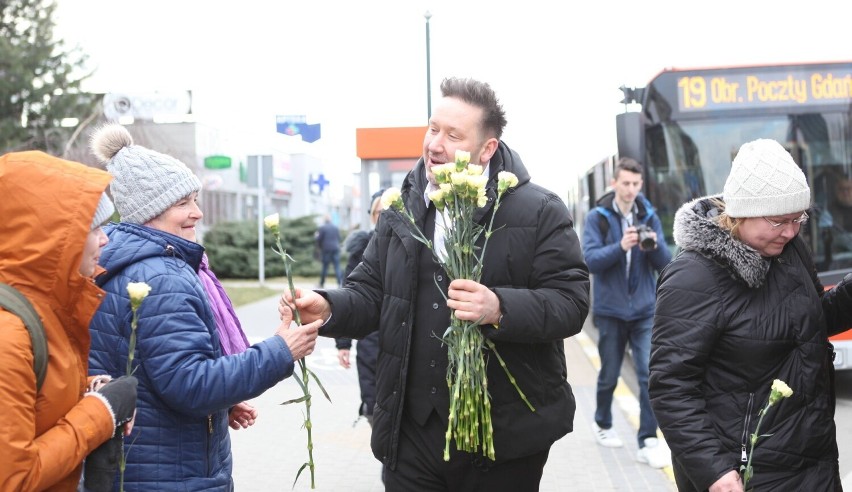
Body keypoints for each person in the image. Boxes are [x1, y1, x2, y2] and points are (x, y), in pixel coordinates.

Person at [281, 77, 590, 491]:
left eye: (453, 134)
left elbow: (570, 303)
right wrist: (329, 306)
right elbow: (372, 294)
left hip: (503, 440)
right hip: (411, 435)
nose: (435, 144)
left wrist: (499, 307)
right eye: (432, 128)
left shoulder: (540, 210)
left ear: (487, 149)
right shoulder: (400, 209)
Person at [86, 124, 321, 490]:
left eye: (195, 199)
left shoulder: (119, 260)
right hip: (173, 476)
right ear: (150, 210)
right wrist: (280, 351)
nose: (197, 213)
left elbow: (153, 373)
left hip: (138, 467)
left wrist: (221, 405)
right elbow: (189, 384)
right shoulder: (162, 277)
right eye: (182, 203)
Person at [650, 138, 846, 491]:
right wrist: (713, 471)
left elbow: (812, 324)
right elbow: (671, 386)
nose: (790, 231)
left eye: (798, 218)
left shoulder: (789, 249)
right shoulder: (694, 276)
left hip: (814, 464)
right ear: (740, 212)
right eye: (778, 221)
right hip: (747, 476)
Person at [0, 150, 138, 491]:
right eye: (93, 228)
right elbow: (14, 479)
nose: (106, 239)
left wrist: (84, 391)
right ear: (50, 241)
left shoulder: (44, 311)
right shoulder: (9, 335)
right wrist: (100, 413)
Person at [581, 157, 672, 468]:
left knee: (649, 373)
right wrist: (621, 246)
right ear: (614, 183)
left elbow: (665, 264)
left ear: (640, 185)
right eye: (626, 183)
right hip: (610, 311)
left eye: (636, 184)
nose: (631, 189)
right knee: (609, 374)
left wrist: (654, 245)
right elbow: (589, 260)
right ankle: (603, 423)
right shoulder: (598, 218)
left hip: (645, 311)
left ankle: (648, 438)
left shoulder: (649, 215)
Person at [335, 189, 384, 427]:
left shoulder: (414, 245)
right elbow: (350, 295)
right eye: (380, 212)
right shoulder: (363, 249)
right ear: (372, 215)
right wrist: (343, 344)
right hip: (370, 341)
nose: (385, 216)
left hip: (401, 336)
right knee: (374, 404)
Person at [316, 214, 343, 287]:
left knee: (325, 267)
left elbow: (319, 239)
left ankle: (321, 283)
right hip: (335, 248)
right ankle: (340, 283)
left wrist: (316, 236)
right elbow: (339, 238)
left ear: (325, 220)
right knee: (337, 266)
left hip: (326, 249)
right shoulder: (335, 227)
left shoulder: (322, 228)